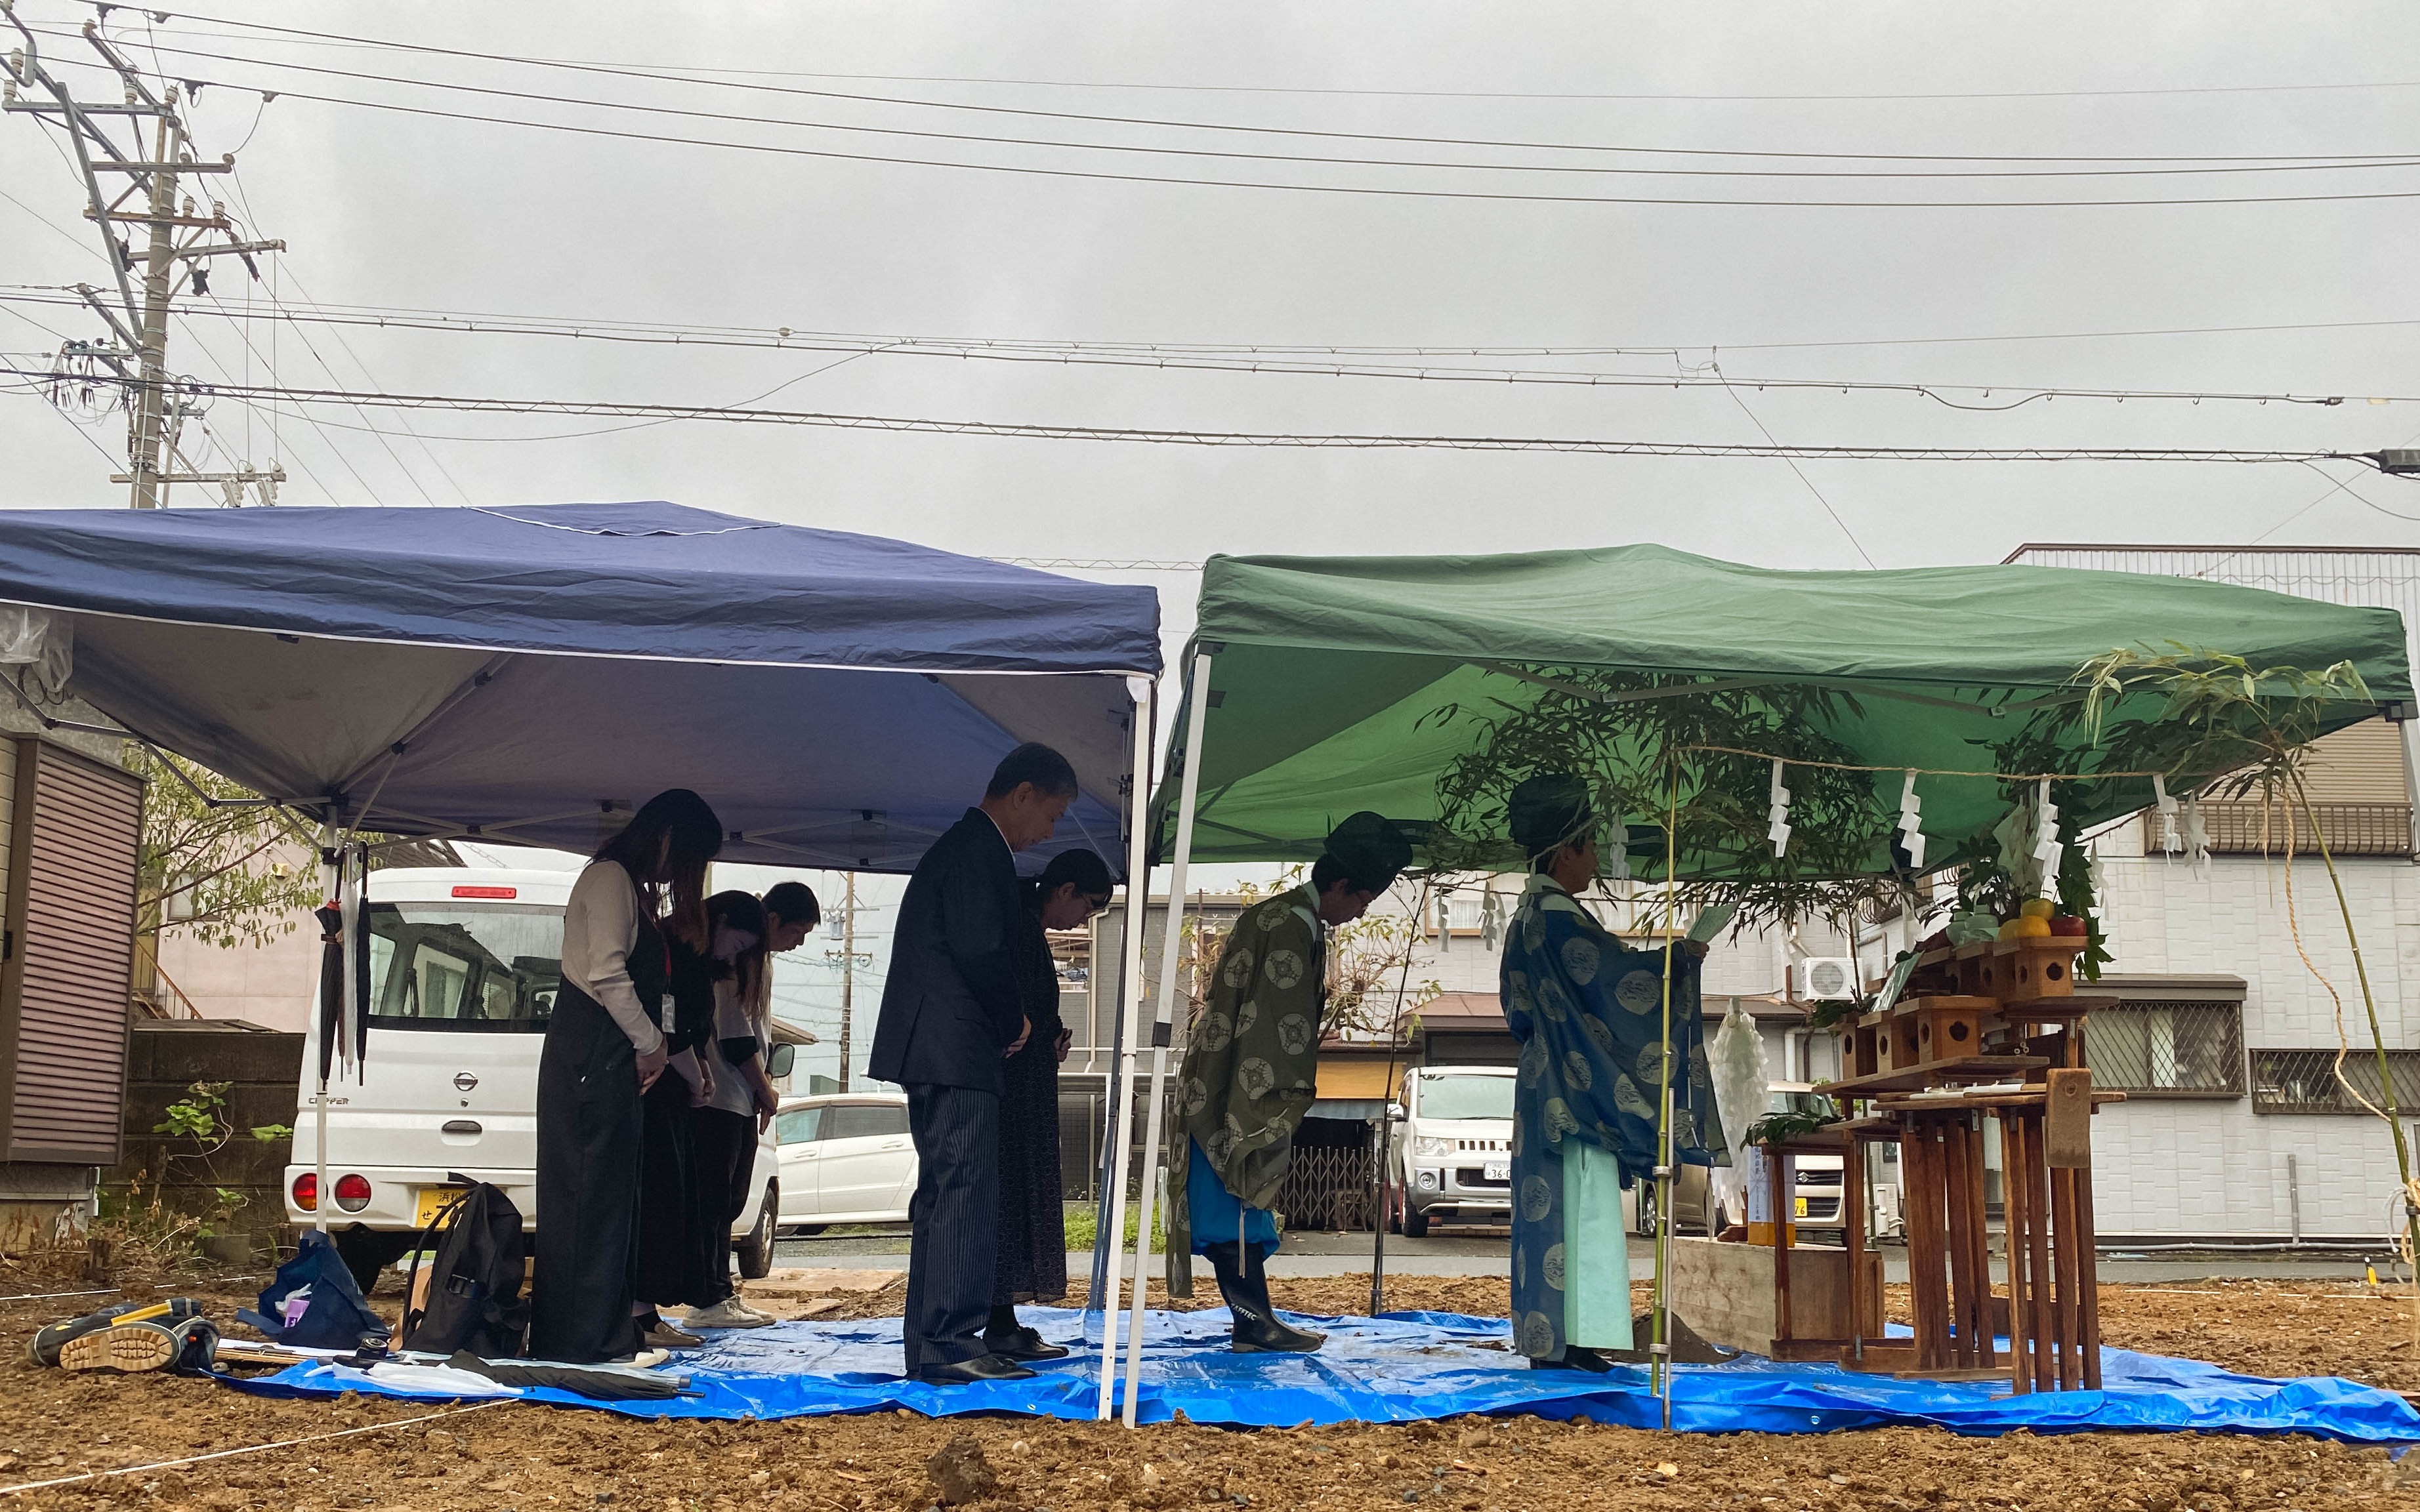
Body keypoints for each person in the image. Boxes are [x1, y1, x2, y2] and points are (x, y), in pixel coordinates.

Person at [1498, 773, 1727, 1372]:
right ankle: (1573, 1339)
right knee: (1585, 1209)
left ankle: (1556, 1337)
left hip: (1541, 1078)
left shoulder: (1528, 915)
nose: (1597, 860)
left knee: (1552, 1212)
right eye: (1592, 846)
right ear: (1566, 849)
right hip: (1571, 1089)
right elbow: (1619, 987)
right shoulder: (1558, 918)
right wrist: (1683, 959)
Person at [869, 742, 1078, 1383]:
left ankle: (935, 1341)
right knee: (962, 1194)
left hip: (939, 1046)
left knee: (945, 1196)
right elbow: (979, 946)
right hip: (953, 1048)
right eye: (1050, 814)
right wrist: (1011, 1015)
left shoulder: (965, 849)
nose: (1047, 832)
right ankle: (951, 1342)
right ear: (1021, 794)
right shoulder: (977, 850)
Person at [1165, 811, 1411, 1353]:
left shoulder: (1283, 916)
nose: (1359, 913)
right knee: (1237, 1200)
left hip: (1224, 1076)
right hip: (1242, 1087)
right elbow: (1277, 1029)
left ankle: (1256, 1319)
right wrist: (1272, 1103)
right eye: (1362, 901)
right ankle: (1253, 1322)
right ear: (1340, 885)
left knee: (1238, 1206)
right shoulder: (1290, 926)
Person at [532, 787, 723, 1365]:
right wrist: (653, 1044)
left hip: (604, 1057)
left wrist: (651, 1046)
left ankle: (606, 1334)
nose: (680, 874)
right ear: (666, 838)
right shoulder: (610, 878)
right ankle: (588, 1342)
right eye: (686, 858)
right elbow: (607, 972)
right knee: (588, 1196)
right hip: (591, 1054)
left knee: (610, 1197)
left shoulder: (625, 884)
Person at [987, 848, 1115, 1361]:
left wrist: (1047, 1038)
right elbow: (1011, 1009)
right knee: (1012, 1198)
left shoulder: (1026, 929)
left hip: (1029, 1081)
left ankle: (1004, 1317)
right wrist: (1029, 1032)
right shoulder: (1017, 927)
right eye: (1086, 907)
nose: (1082, 919)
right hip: (1012, 1090)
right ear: (1063, 891)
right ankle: (998, 1319)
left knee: (1021, 1196)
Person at [680, 888, 812, 1331]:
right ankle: (707, 1295)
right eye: (796, 931)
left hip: (737, 1097)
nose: (799, 942)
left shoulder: (755, 961)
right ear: (771, 919)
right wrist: (766, 1088)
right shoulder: (733, 960)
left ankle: (721, 1290)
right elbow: (737, 1037)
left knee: (732, 1200)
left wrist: (760, 1089)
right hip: (717, 1096)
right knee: (715, 1201)